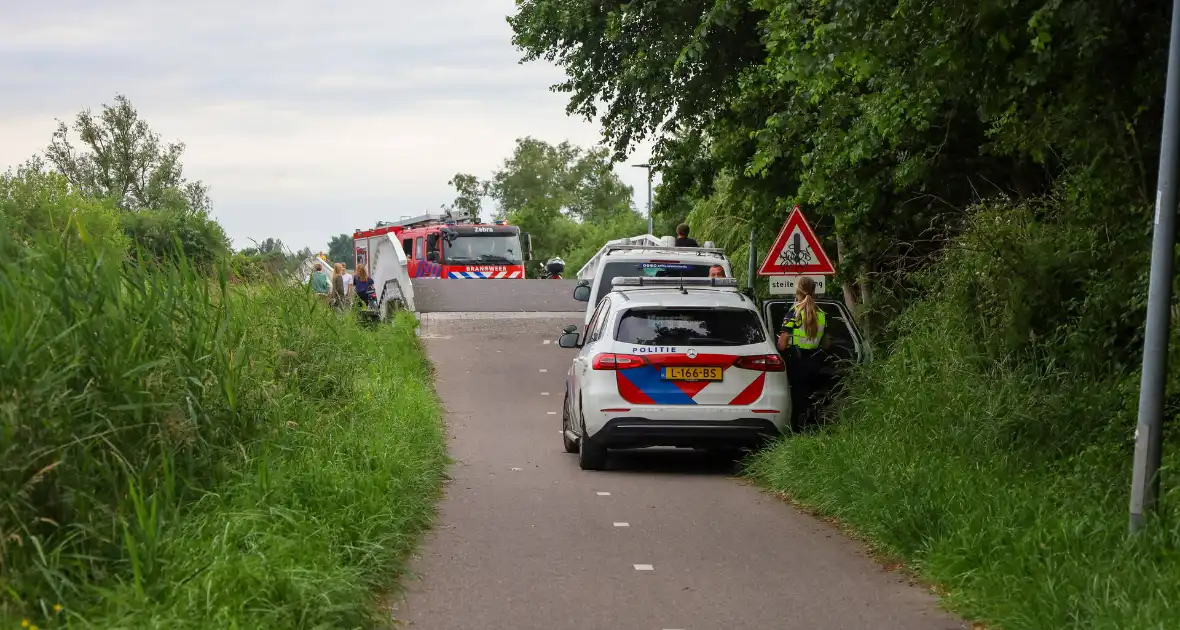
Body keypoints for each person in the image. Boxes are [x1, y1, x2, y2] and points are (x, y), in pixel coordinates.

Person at [776, 277, 830, 430]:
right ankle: (813, 426)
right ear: (814, 290)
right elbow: (827, 343)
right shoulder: (822, 315)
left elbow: (782, 344)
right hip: (815, 361)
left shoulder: (793, 313)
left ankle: (796, 429)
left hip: (796, 362)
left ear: (797, 290)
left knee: (796, 397)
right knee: (812, 396)